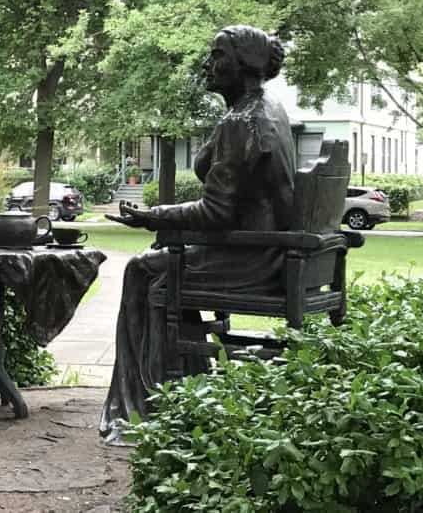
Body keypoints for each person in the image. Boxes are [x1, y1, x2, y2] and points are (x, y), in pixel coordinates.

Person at [101, 25, 295, 443]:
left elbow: (216, 210)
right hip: (272, 250)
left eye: (218, 55)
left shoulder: (243, 120)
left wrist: (154, 216)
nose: (209, 64)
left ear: (244, 64)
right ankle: (185, 390)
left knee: (142, 271)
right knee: (161, 261)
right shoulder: (263, 109)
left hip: (252, 258)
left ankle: (149, 406)